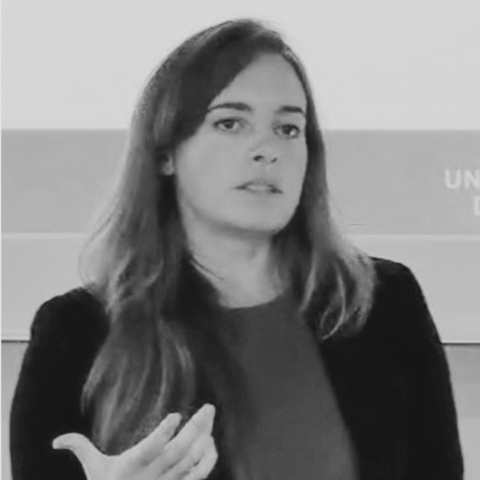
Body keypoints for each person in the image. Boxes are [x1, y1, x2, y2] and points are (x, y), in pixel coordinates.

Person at [9, 18, 464, 480]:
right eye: (230, 123)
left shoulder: (382, 300)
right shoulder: (76, 334)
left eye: (288, 129)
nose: (267, 149)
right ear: (166, 152)